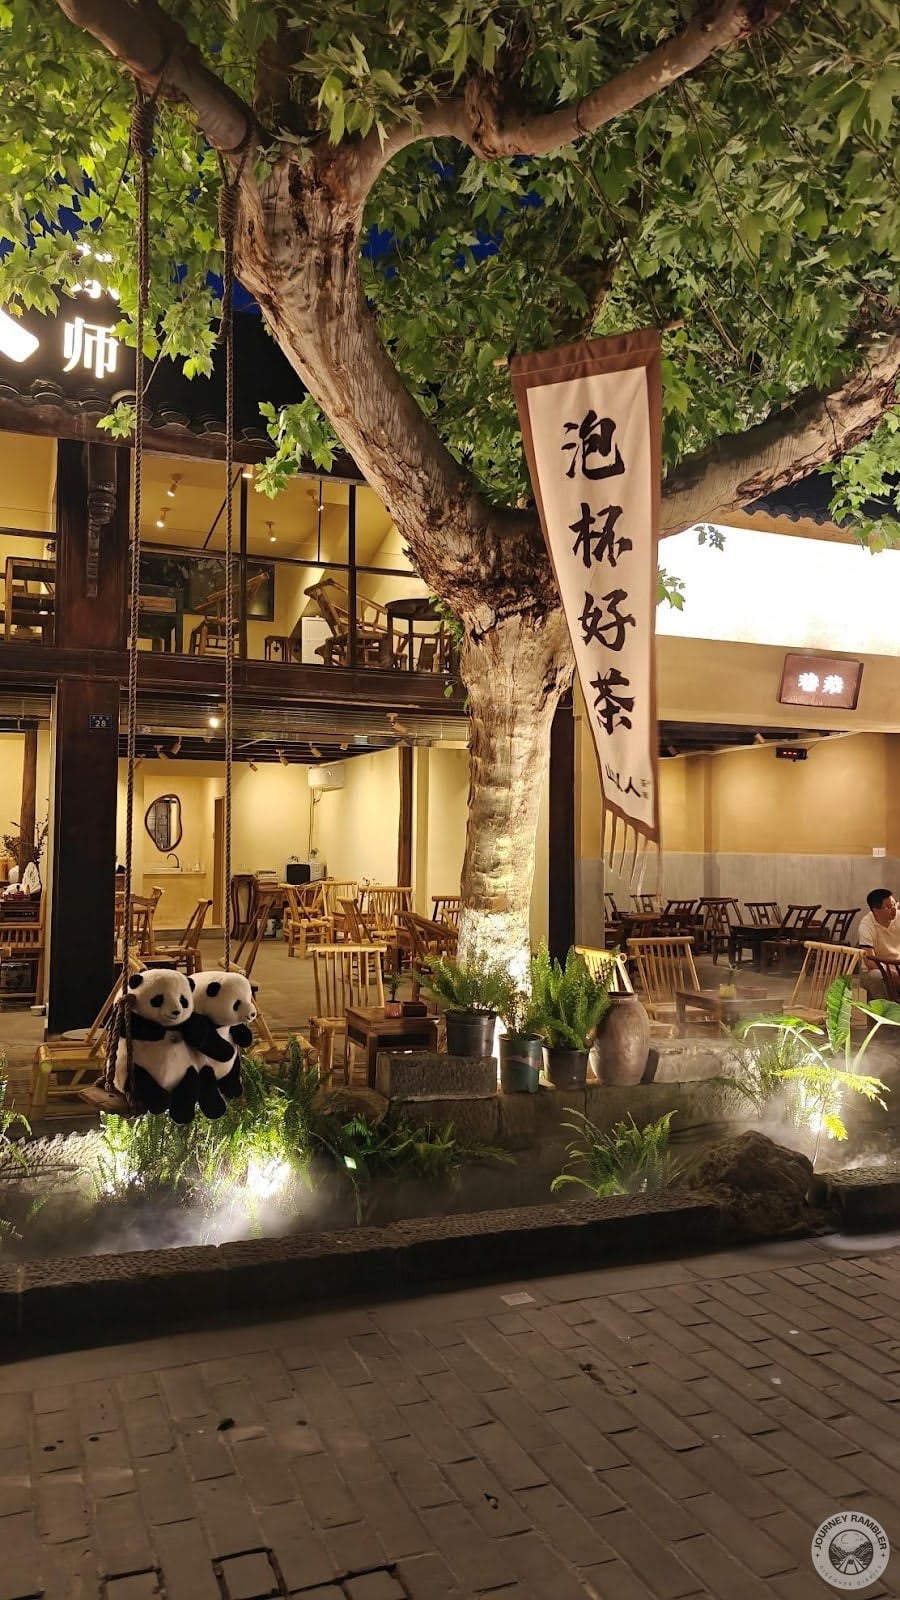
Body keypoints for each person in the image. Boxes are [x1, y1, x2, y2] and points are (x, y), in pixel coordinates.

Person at [856, 888, 900, 998]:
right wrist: (891, 972)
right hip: (874, 969)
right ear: (875, 910)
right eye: (889, 907)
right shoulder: (866, 925)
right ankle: (883, 1013)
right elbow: (870, 961)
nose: (894, 909)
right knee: (876, 976)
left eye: (894, 905)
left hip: (897, 965)